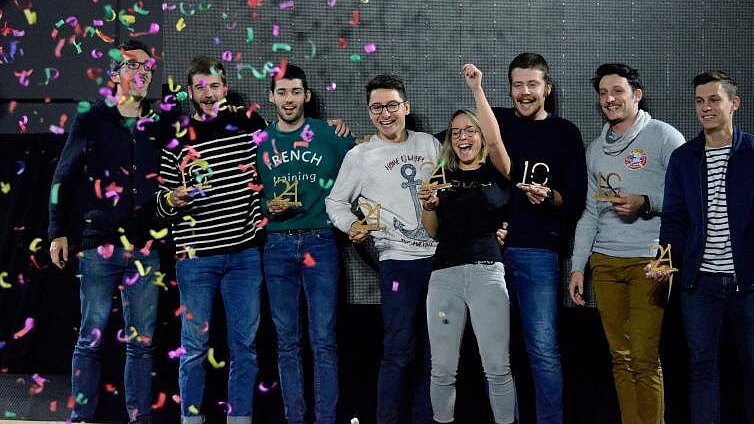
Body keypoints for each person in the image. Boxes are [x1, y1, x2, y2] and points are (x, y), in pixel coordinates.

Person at [48, 40, 164, 424]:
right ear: (114, 74)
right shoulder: (91, 119)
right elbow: (63, 177)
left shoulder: (159, 122)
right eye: (133, 66)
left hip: (145, 249)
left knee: (142, 344)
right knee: (91, 337)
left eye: (147, 67)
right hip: (100, 247)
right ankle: (81, 418)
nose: (142, 73)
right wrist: (57, 231)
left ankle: (140, 419)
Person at [568, 63, 684, 424]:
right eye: (603, 93)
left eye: (617, 91)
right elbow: (590, 213)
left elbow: (687, 197)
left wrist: (645, 202)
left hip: (651, 261)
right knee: (620, 357)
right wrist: (577, 266)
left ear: (636, 95)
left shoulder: (664, 136)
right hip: (605, 262)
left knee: (644, 356)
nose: (609, 99)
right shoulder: (595, 150)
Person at [155, 57, 267, 424]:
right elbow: (160, 202)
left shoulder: (249, 124)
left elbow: (283, 149)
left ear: (225, 88)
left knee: (245, 347)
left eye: (214, 86)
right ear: (190, 92)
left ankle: (240, 419)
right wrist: (173, 199)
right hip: (195, 258)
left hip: (244, 255)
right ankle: (191, 420)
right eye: (200, 87)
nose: (208, 93)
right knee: (194, 348)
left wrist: (333, 128)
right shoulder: (176, 138)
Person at [326, 74, 440, 424]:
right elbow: (335, 202)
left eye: (392, 105)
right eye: (377, 108)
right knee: (399, 352)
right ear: (369, 112)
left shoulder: (429, 144)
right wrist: (352, 226)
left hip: (440, 264)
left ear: (406, 107)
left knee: (437, 356)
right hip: (397, 266)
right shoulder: (360, 155)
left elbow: (448, 189)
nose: (385, 114)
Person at [653, 70, 754, 424]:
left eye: (714, 100)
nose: (705, 108)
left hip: (748, 282)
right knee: (701, 367)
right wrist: (664, 261)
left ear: (734, 103)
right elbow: (674, 219)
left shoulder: (751, 152)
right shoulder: (684, 158)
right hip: (699, 285)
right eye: (699, 101)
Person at [257, 63, 355, 424]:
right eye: (282, 92)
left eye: (296, 92)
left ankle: (326, 419)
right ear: (271, 97)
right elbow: (249, 193)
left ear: (307, 96)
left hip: (320, 243)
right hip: (277, 246)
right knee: (287, 342)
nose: (289, 99)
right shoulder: (259, 141)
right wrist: (266, 206)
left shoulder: (327, 134)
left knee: (324, 340)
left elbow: (364, 161)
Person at [419, 64, 515, 424]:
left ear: (480, 136)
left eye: (470, 130)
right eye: (456, 132)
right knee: (442, 369)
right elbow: (432, 231)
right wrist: (429, 206)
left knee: (497, 367)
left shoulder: (497, 169)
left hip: (487, 274)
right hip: (444, 276)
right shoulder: (440, 174)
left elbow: (496, 141)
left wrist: (477, 90)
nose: (463, 137)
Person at [495, 52, 587, 424]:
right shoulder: (496, 122)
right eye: (518, 85)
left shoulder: (565, 132)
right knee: (497, 354)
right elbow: (449, 141)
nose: (525, 92)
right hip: (491, 254)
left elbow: (575, 199)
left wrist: (550, 197)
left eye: (532, 84)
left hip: (539, 252)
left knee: (543, 350)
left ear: (546, 88)